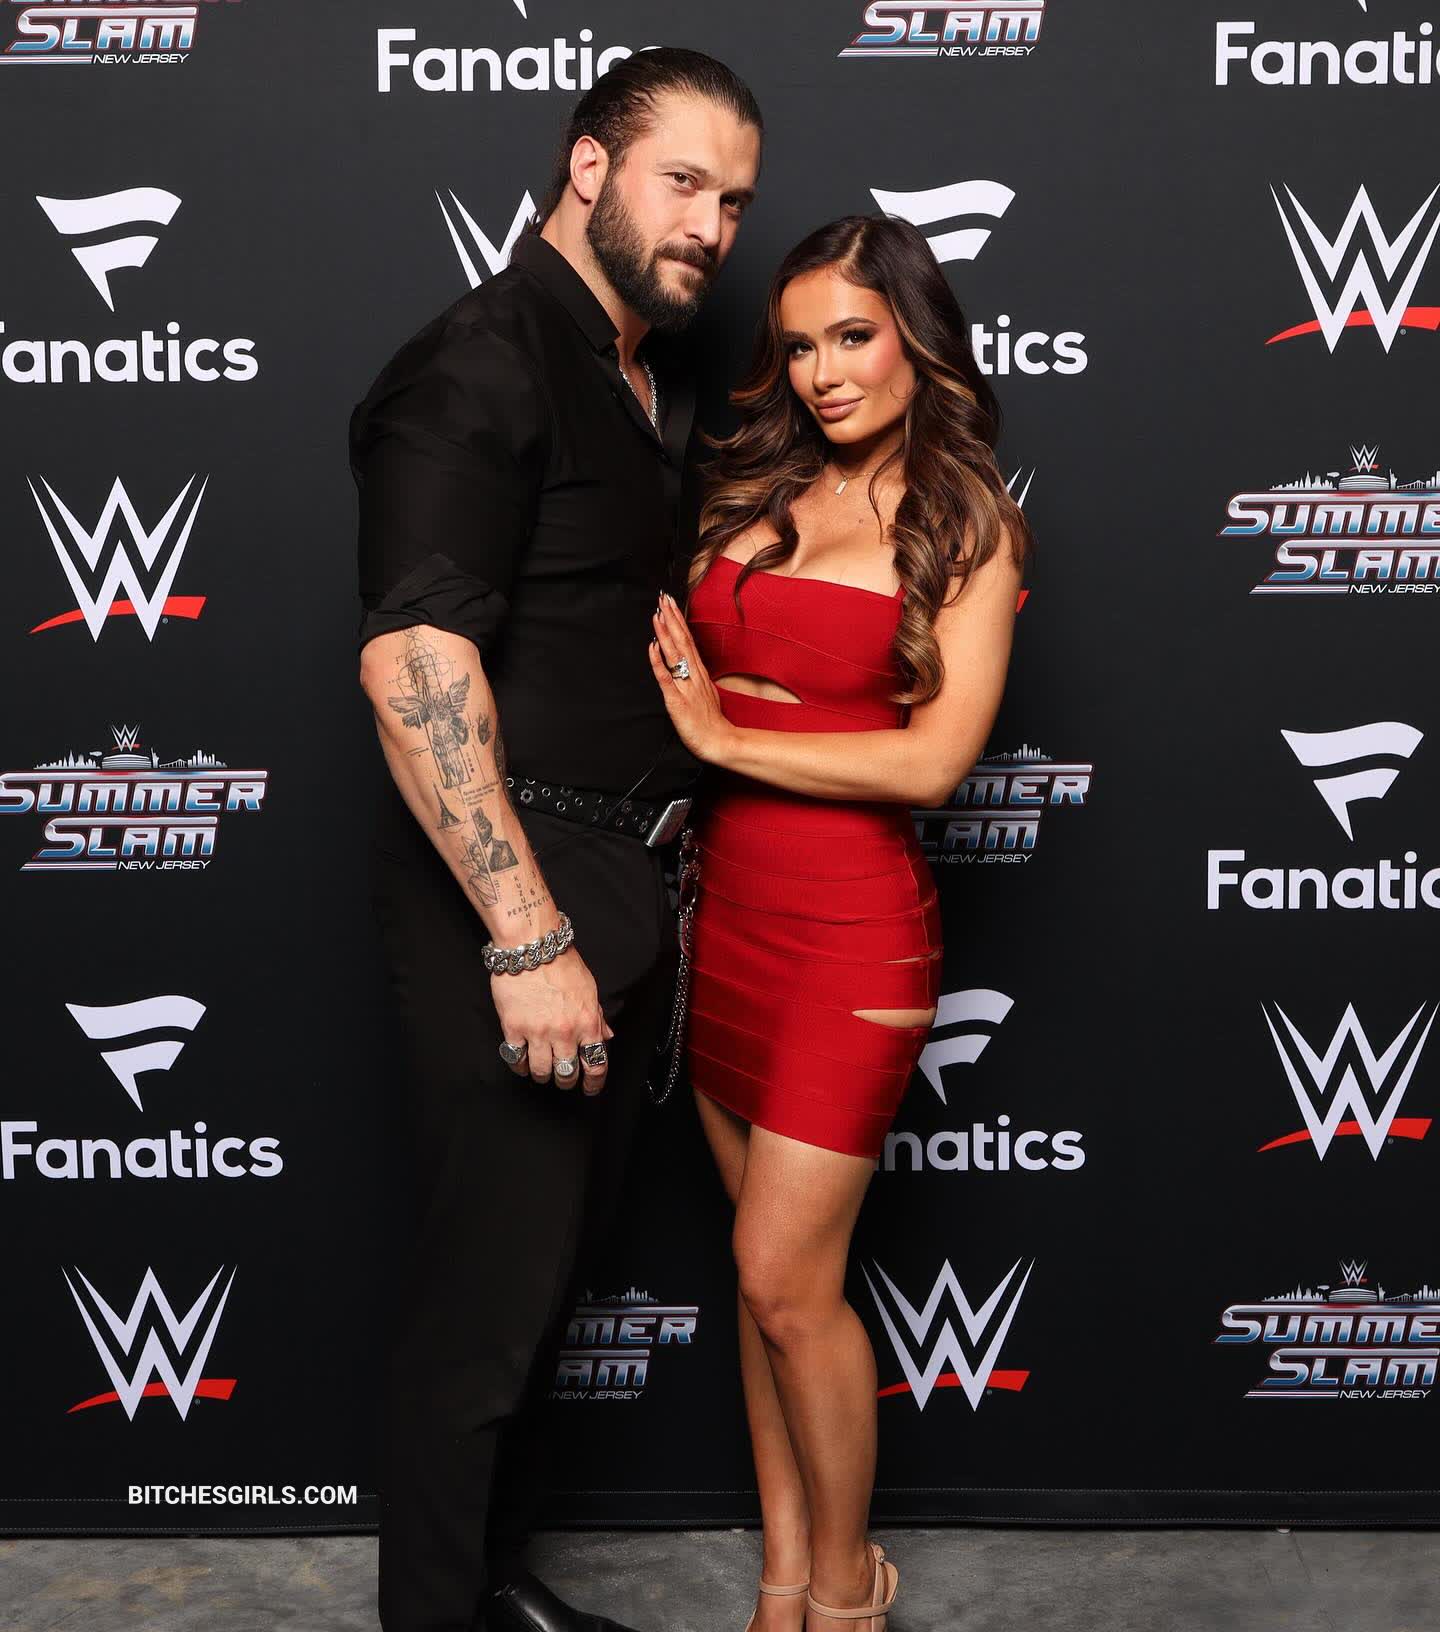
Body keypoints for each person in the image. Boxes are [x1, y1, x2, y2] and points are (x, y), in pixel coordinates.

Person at [349, 48, 763, 1632]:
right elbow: (417, 664)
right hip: (516, 889)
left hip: (628, 876)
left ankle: (496, 1592)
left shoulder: (637, 373)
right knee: (486, 1309)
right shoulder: (480, 364)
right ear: (588, 167)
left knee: (548, 1293)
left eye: (734, 199)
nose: (710, 224)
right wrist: (526, 936)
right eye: (682, 182)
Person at [647, 214, 1033, 1632]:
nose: (823, 372)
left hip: (851, 935)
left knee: (782, 1277)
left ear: (918, 342)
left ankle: (851, 1590)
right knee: (767, 1285)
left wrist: (724, 737)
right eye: (800, 344)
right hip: (723, 915)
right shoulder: (753, 493)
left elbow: (933, 764)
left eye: (854, 337)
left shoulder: (968, 524)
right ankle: (783, 1581)